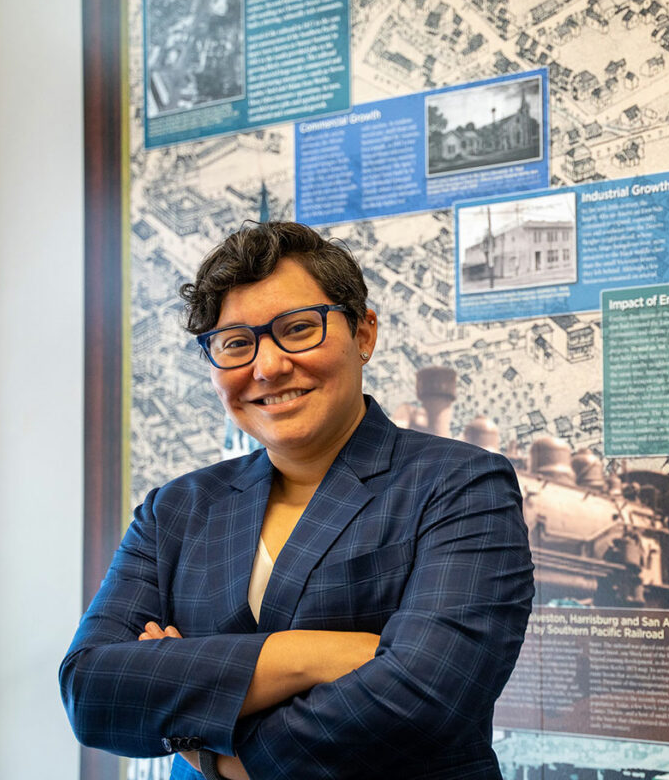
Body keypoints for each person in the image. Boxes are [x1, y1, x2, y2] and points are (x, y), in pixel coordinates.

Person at [60, 221, 535, 779]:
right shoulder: (177, 510)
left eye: (298, 328)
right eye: (236, 343)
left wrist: (217, 745)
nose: (267, 367)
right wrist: (312, 656)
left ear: (363, 333)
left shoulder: (459, 485)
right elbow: (92, 691)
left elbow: (425, 696)